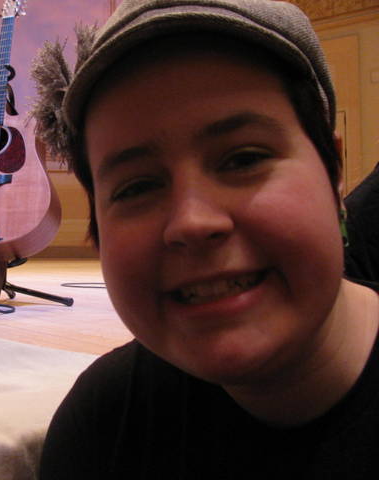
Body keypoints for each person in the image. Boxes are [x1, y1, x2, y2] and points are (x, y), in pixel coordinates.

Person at [30, 0, 379, 478]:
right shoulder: (100, 424)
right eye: (137, 187)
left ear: (334, 172)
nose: (193, 222)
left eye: (243, 159)